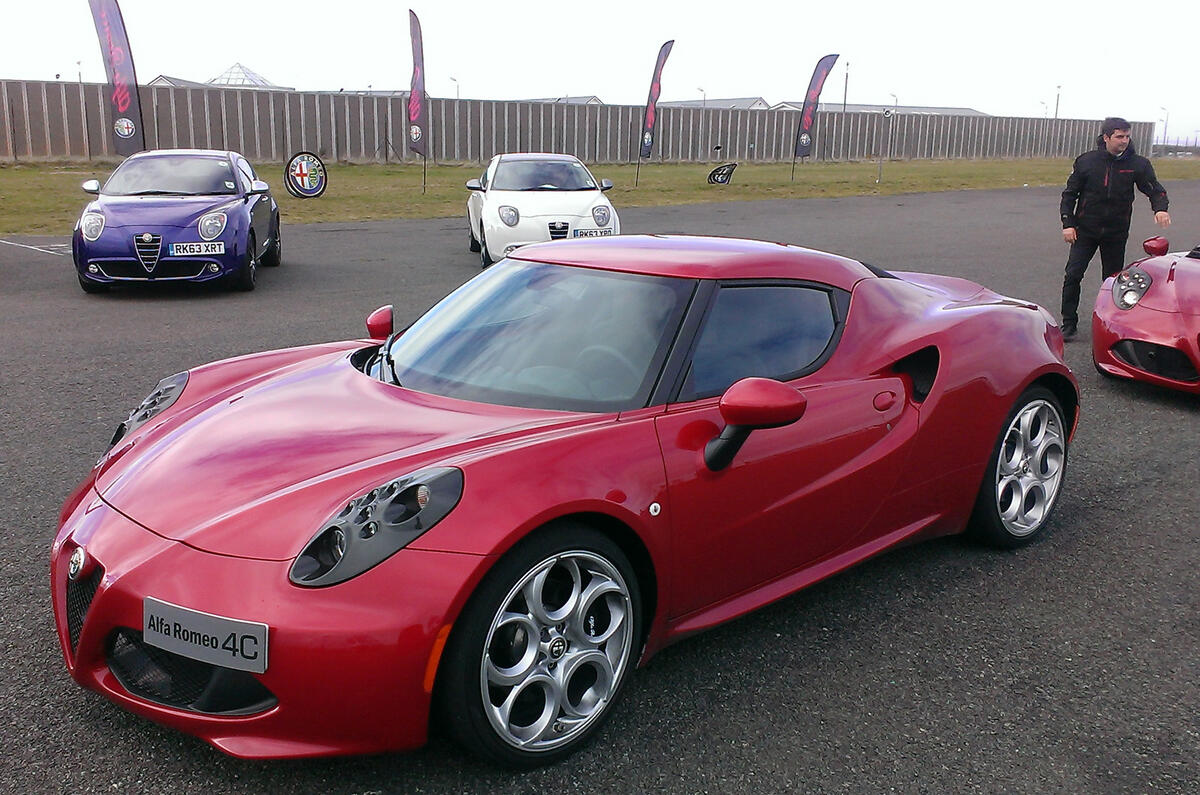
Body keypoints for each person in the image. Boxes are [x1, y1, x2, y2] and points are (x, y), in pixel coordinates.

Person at [1058, 117, 1170, 340]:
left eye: (1127, 136)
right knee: (1073, 275)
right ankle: (1069, 323)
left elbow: (1155, 189)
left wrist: (1160, 208)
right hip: (1085, 231)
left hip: (1115, 233)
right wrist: (1068, 224)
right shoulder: (1086, 161)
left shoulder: (1138, 164)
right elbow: (1069, 195)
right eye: (1119, 136)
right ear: (1106, 137)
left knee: (1112, 281)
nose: (1125, 141)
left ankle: (1113, 324)